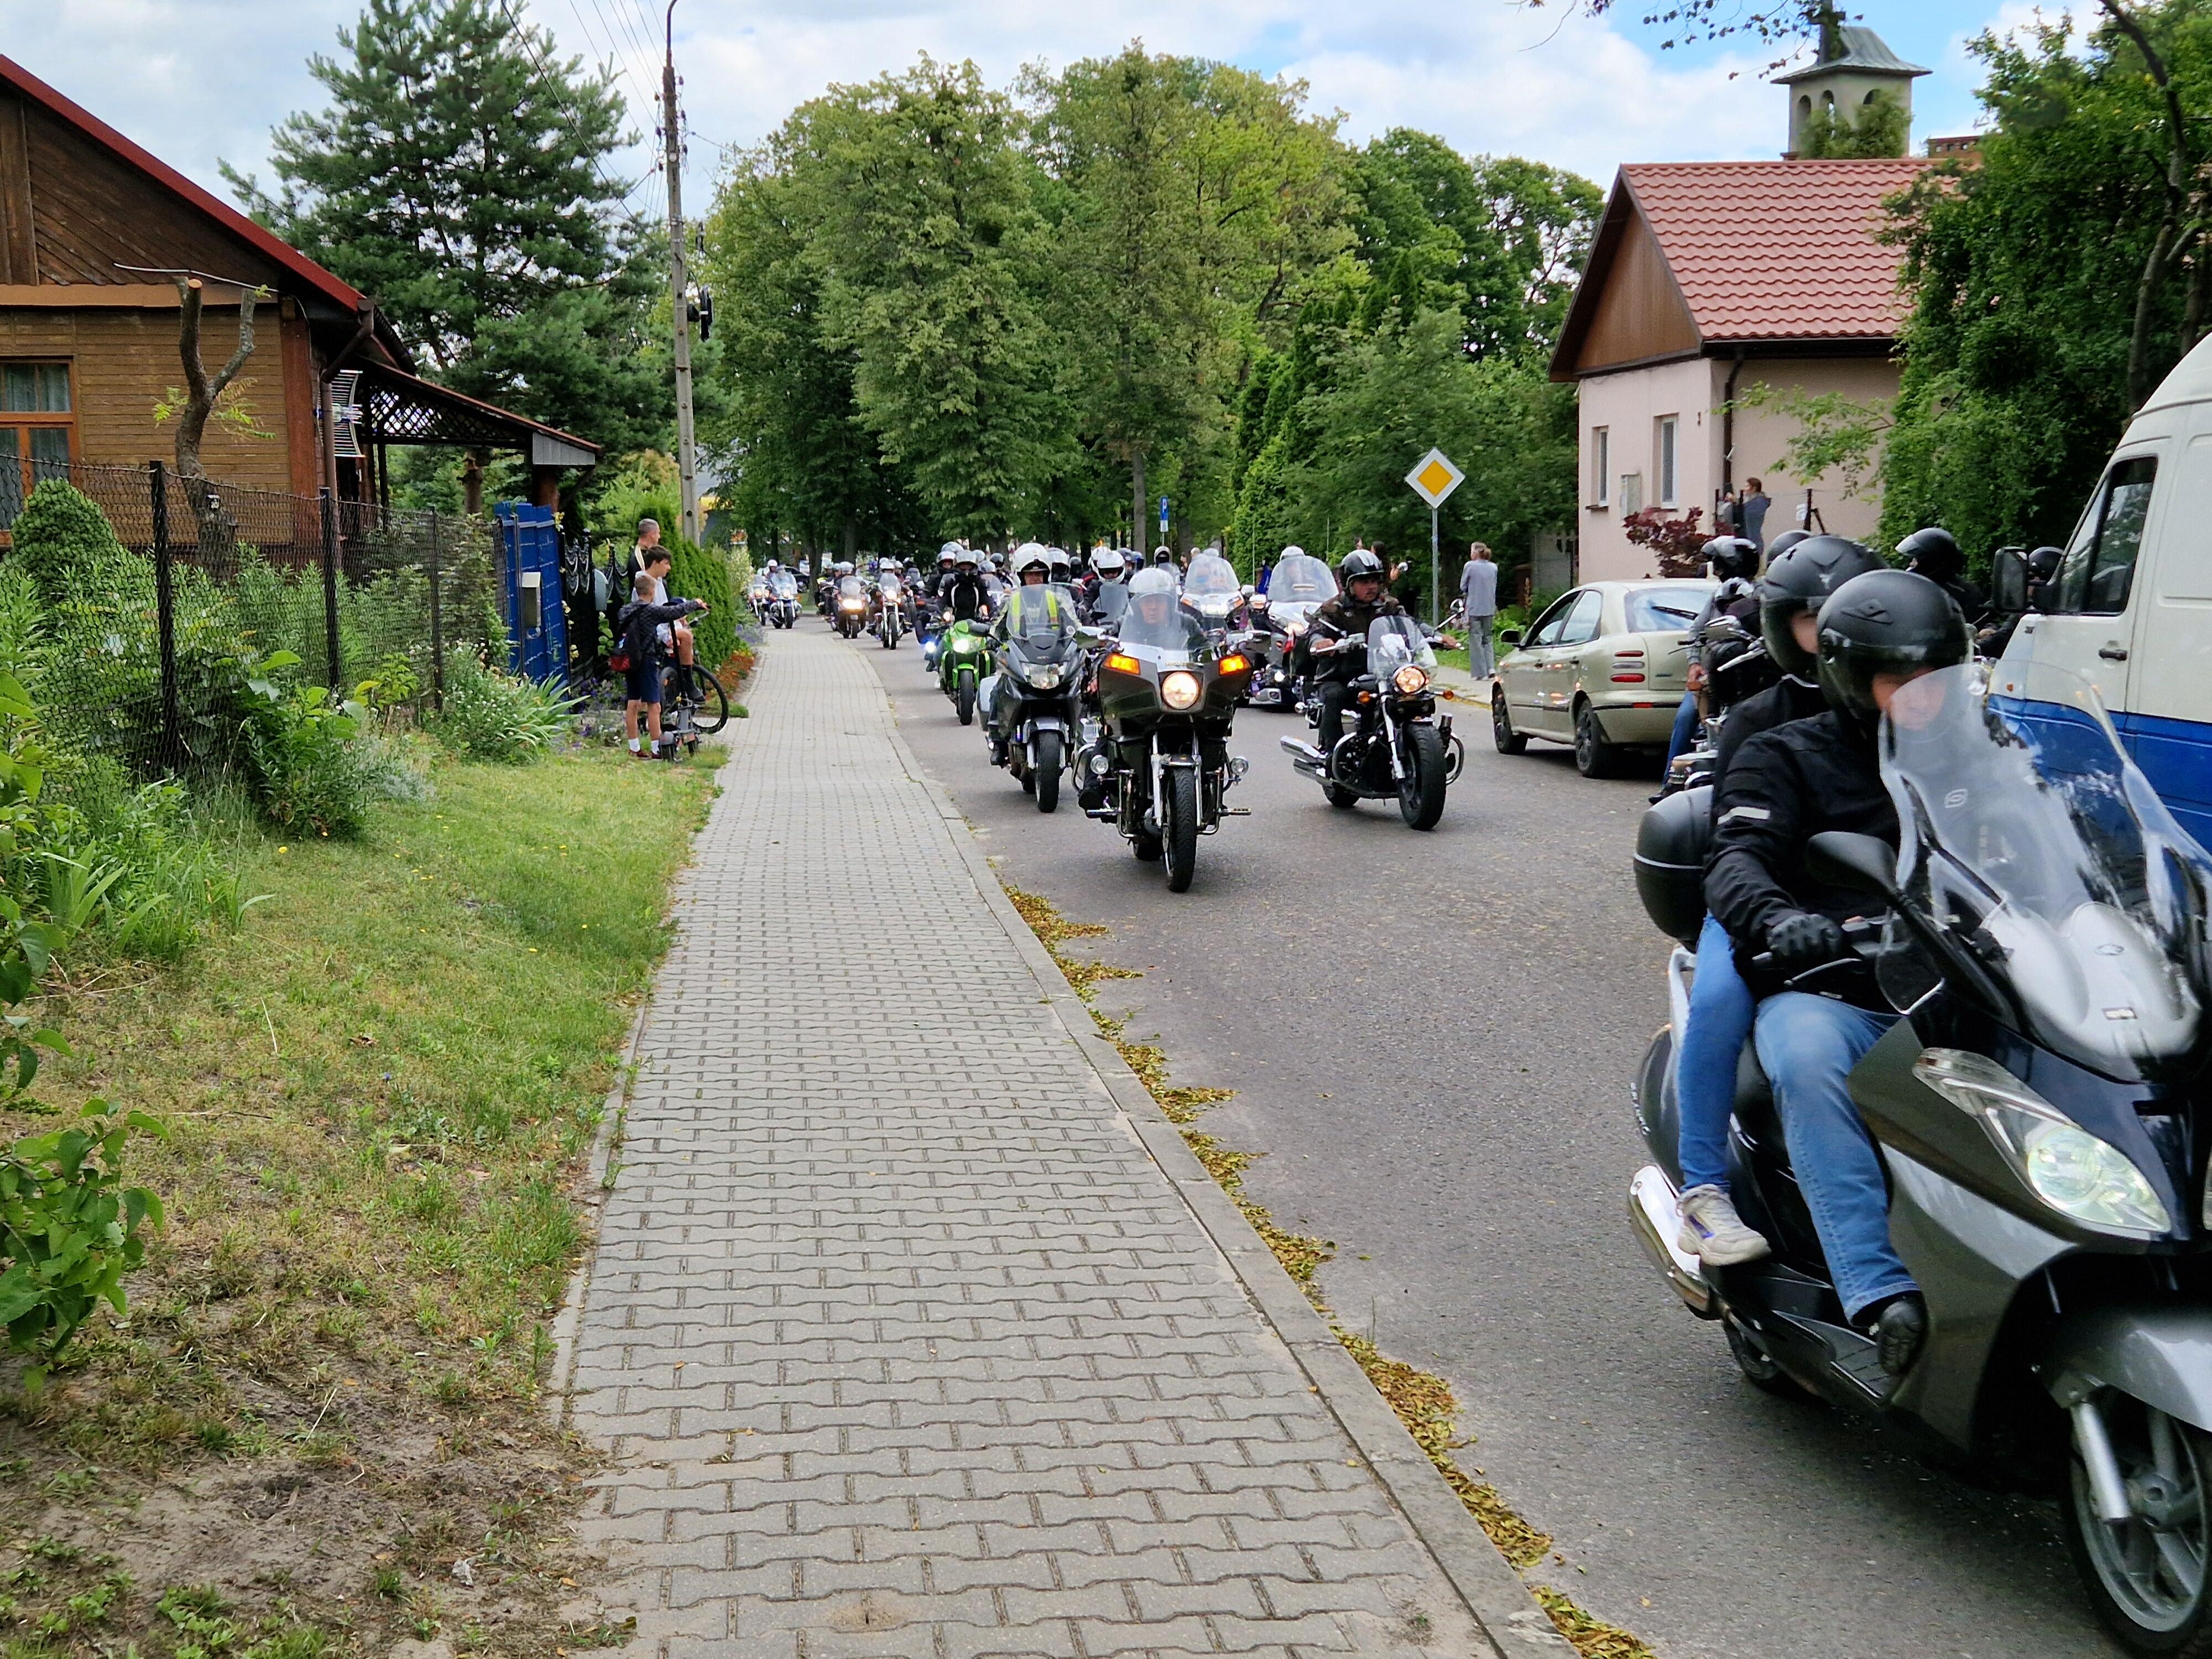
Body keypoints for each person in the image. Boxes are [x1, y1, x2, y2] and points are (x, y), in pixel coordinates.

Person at [1704, 568, 1969, 1375]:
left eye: (1935, 678)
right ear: (1851, 679)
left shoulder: (1985, 755)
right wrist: (1780, 919)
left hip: (1967, 983)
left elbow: (2061, 839)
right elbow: (1737, 857)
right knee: (1808, 1057)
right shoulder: (1784, 754)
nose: (1920, 697)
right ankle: (1878, 1291)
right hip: (1838, 985)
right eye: (1898, 680)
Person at [1673, 535, 1885, 1269]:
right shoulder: (1759, 720)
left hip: (1881, 913)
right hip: (1766, 912)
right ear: (1782, 626)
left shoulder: (1912, 710)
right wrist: (1774, 915)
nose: (1829, 632)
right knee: (1720, 999)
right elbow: (1736, 846)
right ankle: (1702, 1190)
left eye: (1845, 613)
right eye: (1810, 619)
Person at [1307, 549, 1406, 754]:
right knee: (1335, 696)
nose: (1372, 587)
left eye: (1375, 581)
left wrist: (1435, 636)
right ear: (1349, 584)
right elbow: (1316, 630)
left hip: (1382, 673)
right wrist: (1320, 642)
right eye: (1364, 582)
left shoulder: (1388, 605)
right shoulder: (1333, 609)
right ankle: (1334, 755)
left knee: (1412, 695)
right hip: (1340, 675)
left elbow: (1410, 624)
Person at [617, 546, 707, 759]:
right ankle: (658, 747)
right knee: (654, 705)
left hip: (629, 659)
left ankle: (634, 747)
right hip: (647, 659)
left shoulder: (625, 611)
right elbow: (673, 611)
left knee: (633, 703)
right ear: (651, 593)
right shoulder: (649, 611)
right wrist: (696, 603)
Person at [630, 519, 698, 691]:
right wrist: (666, 634)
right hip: (652, 633)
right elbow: (650, 612)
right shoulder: (645, 581)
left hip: (661, 626)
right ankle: (687, 682)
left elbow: (664, 607)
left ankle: (680, 680)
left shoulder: (659, 582)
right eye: (666, 564)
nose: (669, 568)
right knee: (686, 637)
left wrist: (678, 617)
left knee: (684, 632)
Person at [1458, 542, 1499, 680]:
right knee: (1488, 638)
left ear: (1476, 553)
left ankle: (1481, 672)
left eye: (1471, 551)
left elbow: (1463, 586)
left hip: (1474, 608)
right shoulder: (1493, 567)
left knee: (1476, 639)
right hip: (1489, 607)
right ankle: (1491, 667)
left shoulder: (1470, 566)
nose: (1470, 554)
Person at [940, 550, 992, 624]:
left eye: (968, 566)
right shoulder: (950, 584)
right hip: (953, 624)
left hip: (977, 624)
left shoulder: (980, 584)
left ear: (974, 567)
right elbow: (941, 602)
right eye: (963, 566)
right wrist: (938, 615)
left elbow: (990, 602)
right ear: (957, 567)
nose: (966, 569)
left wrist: (992, 615)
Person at [1738, 478, 1772, 550]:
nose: (1745, 489)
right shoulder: (1755, 501)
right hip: (1752, 540)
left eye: (1747, 486)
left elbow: (1747, 512)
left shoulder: (1758, 502)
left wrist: (1737, 505)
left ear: (1754, 489)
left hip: (1753, 541)